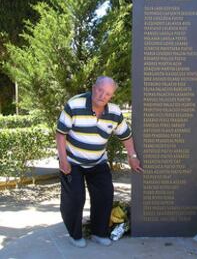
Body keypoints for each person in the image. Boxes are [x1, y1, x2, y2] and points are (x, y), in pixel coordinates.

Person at [56, 76, 142, 248]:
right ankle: (75, 234)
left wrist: (132, 156)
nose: (103, 95)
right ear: (94, 88)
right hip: (73, 161)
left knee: (105, 195)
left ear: (111, 96)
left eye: (108, 94)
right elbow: (60, 134)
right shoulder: (74, 104)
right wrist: (63, 160)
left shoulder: (115, 112)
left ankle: (99, 233)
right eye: (100, 90)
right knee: (75, 198)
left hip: (98, 161)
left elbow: (126, 136)